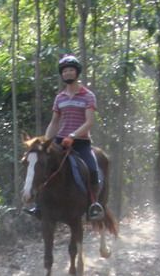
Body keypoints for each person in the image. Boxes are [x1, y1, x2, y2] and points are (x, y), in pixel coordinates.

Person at [25, 54, 104, 221]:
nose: (68, 73)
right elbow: (54, 122)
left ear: (77, 72)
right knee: (43, 168)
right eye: (65, 71)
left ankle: (94, 205)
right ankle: (39, 206)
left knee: (92, 169)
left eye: (71, 70)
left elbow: (90, 122)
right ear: (62, 74)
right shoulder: (59, 98)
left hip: (81, 143)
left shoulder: (88, 96)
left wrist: (73, 135)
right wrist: (45, 142)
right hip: (60, 141)